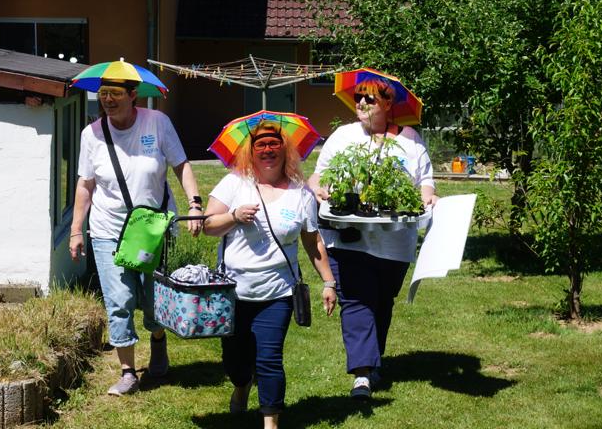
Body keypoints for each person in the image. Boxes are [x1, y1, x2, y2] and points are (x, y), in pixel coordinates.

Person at [69, 79, 203, 396]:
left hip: (150, 229)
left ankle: (158, 339)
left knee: (152, 302)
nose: (108, 100)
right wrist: (77, 229)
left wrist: (195, 205)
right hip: (107, 230)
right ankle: (128, 372)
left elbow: (181, 165)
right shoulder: (92, 134)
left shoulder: (157, 123)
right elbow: (85, 185)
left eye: (116, 94)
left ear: (133, 96)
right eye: (103, 94)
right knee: (119, 302)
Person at [307, 78, 438, 399]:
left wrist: (429, 196)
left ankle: (373, 361)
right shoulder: (343, 135)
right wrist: (317, 187)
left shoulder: (410, 140)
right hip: (347, 234)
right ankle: (362, 374)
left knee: (381, 301)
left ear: (388, 104)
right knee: (356, 299)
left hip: (394, 241)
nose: (362, 104)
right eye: (358, 98)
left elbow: (425, 181)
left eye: (370, 99)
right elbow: (318, 173)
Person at [203, 121, 337, 429]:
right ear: (251, 151)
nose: (268, 150)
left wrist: (328, 282)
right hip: (233, 291)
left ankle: (270, 422)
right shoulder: (234, 183)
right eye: (260, 145)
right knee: (236, 361)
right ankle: (241, 385)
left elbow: (312, 241)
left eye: (274, 144)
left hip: (278, 292)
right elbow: (208, 225)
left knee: (269, 358)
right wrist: (233, 217)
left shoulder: (300, 193)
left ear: (285, 150)